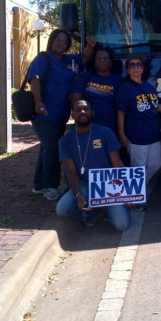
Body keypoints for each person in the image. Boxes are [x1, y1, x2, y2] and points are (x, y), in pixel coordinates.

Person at [28, 29, 95, 201]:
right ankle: (50, 186)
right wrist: (38, 102)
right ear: (51, 41)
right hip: (44, 114)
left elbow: (85, 58)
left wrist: (90, 45)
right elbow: (35, 79)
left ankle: (38, 185)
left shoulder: (67, 60)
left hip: (60, 114)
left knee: (46, 148)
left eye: (65, 42)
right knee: (52, 149)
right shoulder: (43, 58)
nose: (61, 44)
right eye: (58, 40)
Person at [116, 55, 161, 201]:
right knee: (138, 169)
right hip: (136, 136)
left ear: (143, 68)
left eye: (138, 64)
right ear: (127, 69)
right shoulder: (124, 88)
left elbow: (155, 107)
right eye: (132, 65)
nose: (135, 67)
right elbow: (120, 113)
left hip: (153, 135)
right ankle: (137, 197)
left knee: (156, 165)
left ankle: (136, 190)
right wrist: (121, 134)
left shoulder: (149, 87)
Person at [55, 99, 131, 230]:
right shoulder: (65, 140)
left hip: (109, 185)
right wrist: (78, 195)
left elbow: (117, 163)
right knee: (62, 209)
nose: (82, 112)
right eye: (78, 110)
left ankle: (105, 208)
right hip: (84, 185)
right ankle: (90, 210)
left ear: (92, 113)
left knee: (122, 224)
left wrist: (127, 194)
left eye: (86, 109)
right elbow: (71, 172)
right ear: (72, 115)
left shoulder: (105, 133)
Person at [70, 47, 122, 132]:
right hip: (88, 125)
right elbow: (76, 99)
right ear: (94, 62)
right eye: (98, 58)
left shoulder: (118, 80)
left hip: (110, 127)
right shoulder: (85, 77)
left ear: (110, 63)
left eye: (105, 58)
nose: (102, 60)